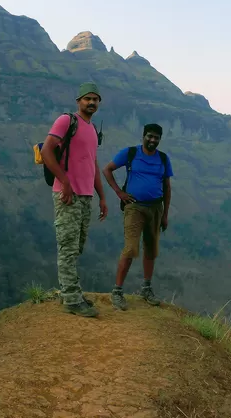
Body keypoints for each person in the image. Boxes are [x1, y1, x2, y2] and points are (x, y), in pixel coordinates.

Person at [40, 82, 109, 318]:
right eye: (87, 98)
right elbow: (47, 150)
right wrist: (65, 181)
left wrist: (102, 197)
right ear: (78, 101)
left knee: (76, 246)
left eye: (95, 99)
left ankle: (71, 292)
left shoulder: (92, 129)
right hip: (67, 194)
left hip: (86, 195)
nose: (91, 102)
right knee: (67, 247)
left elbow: (93, 164)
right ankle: (71, 299)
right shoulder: (66, 121)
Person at [102, 124, 173, 310]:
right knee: (130, 248)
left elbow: (167, 187)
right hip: (134, 207)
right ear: (143, 136)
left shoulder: (163, 158)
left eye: (156, 137)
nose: (153, 140)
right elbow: (107, 170)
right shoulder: (131, 153)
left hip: (156, 207)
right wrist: (119, 192)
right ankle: (117, 291)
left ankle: (146, 289)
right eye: (150, 136)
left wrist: (165, 214)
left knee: (151, 248)